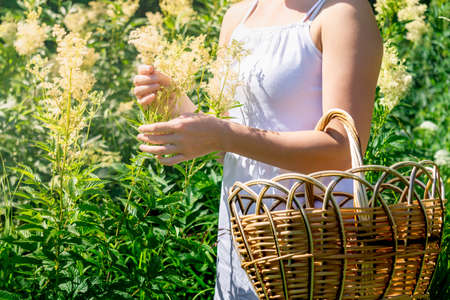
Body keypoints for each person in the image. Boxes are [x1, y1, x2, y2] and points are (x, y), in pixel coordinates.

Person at [133, 0, 382, 298]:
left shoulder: (342, 13)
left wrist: (222, 134)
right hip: (241, 245)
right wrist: (177, 104)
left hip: (312, 250)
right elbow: (233, 145)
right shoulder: (237, 17)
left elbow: (341, 151)